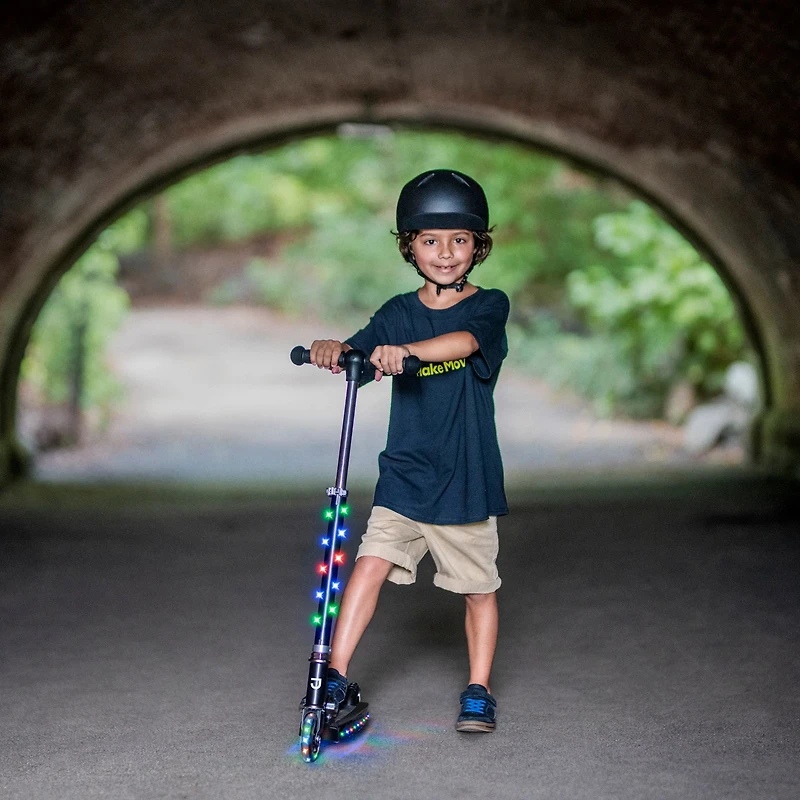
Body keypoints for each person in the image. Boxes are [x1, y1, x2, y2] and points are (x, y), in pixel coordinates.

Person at [309, 169, 509, 732]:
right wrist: (338, 351)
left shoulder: (489, 305)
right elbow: (361, 351)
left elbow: (464, 343)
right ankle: (334, 678)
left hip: (464, 478)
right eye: (430, 240)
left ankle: (478, 688)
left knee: (478, 589)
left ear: (477, 246)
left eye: (459, 240)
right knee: (368, 564)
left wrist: (408, 354)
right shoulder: (397, 311)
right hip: (406, 474)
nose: (445, 253)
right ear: (409, 247)